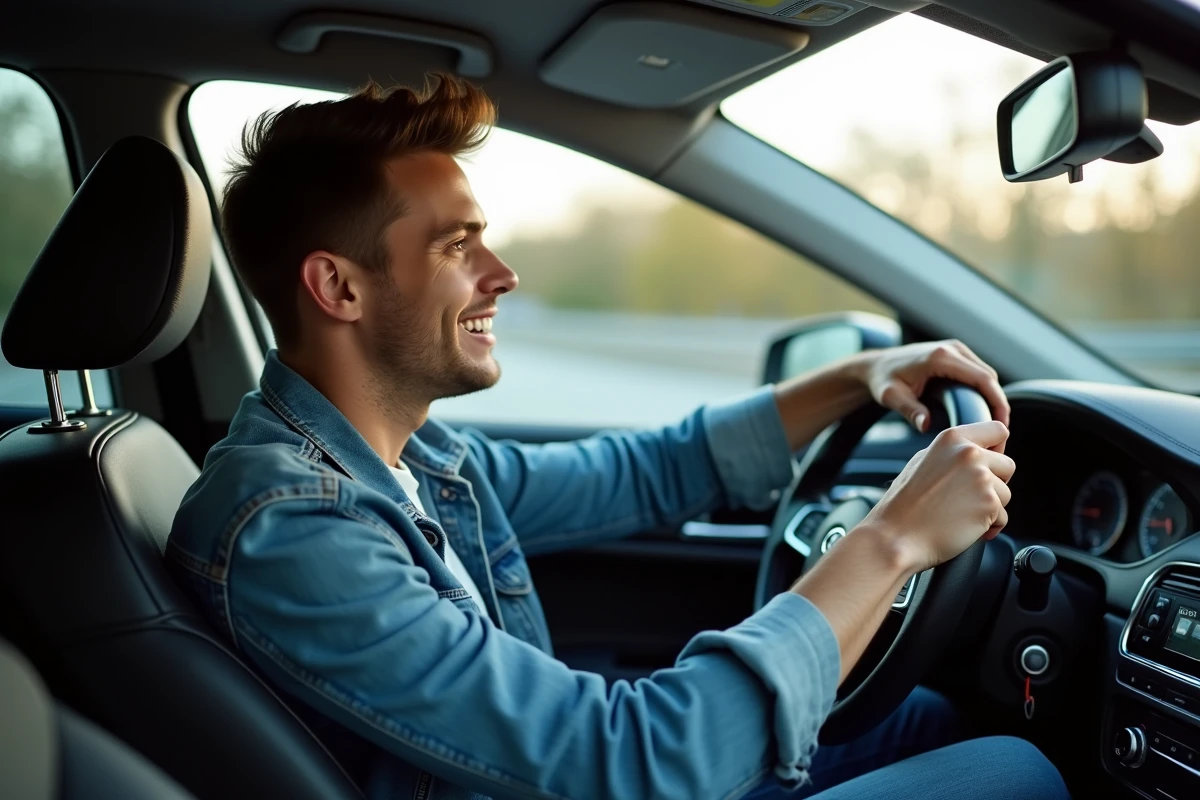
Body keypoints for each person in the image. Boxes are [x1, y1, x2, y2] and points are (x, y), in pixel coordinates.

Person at [166, 75, 1068, 800]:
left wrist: (854, 378)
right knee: (1015, 774)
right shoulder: (297, 528)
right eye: (456, 247)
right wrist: (892, 539)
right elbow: (631, 763)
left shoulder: (409, 466)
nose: (503, 274)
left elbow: (640, 472)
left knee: (921, 717)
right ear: (340, 288)